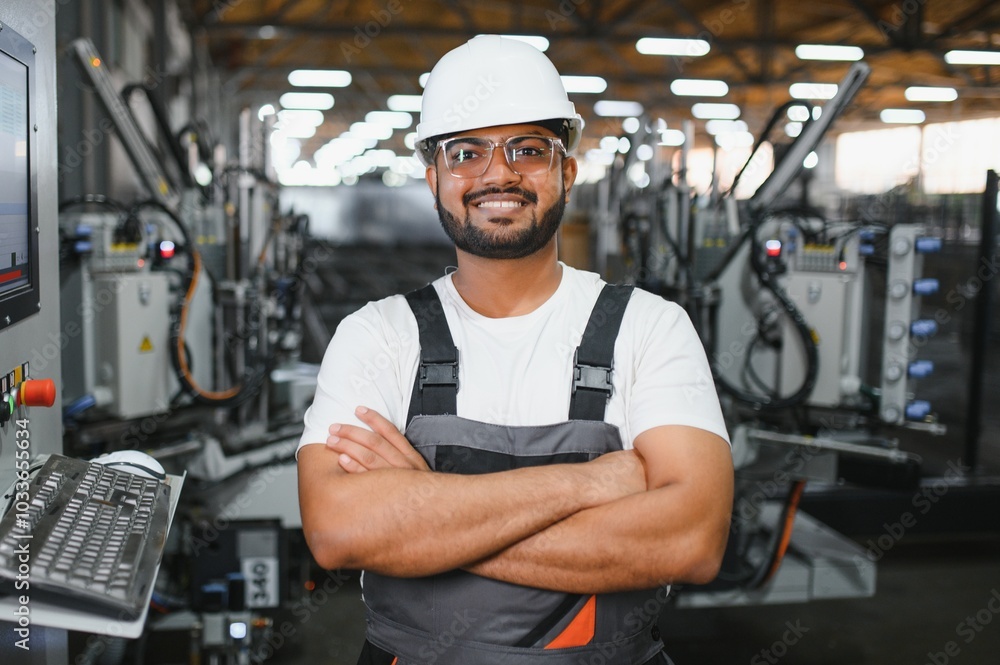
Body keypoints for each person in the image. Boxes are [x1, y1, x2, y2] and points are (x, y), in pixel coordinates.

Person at [297, 34, 733, 665]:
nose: (498, 174)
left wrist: (426, 509)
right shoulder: (378, 335)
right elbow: (339, 530)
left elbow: (693, 540)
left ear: (567, 171)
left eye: (528, 150)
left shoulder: (650, 327)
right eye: (466, 152)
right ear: (434, 178)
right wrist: (595, 484)